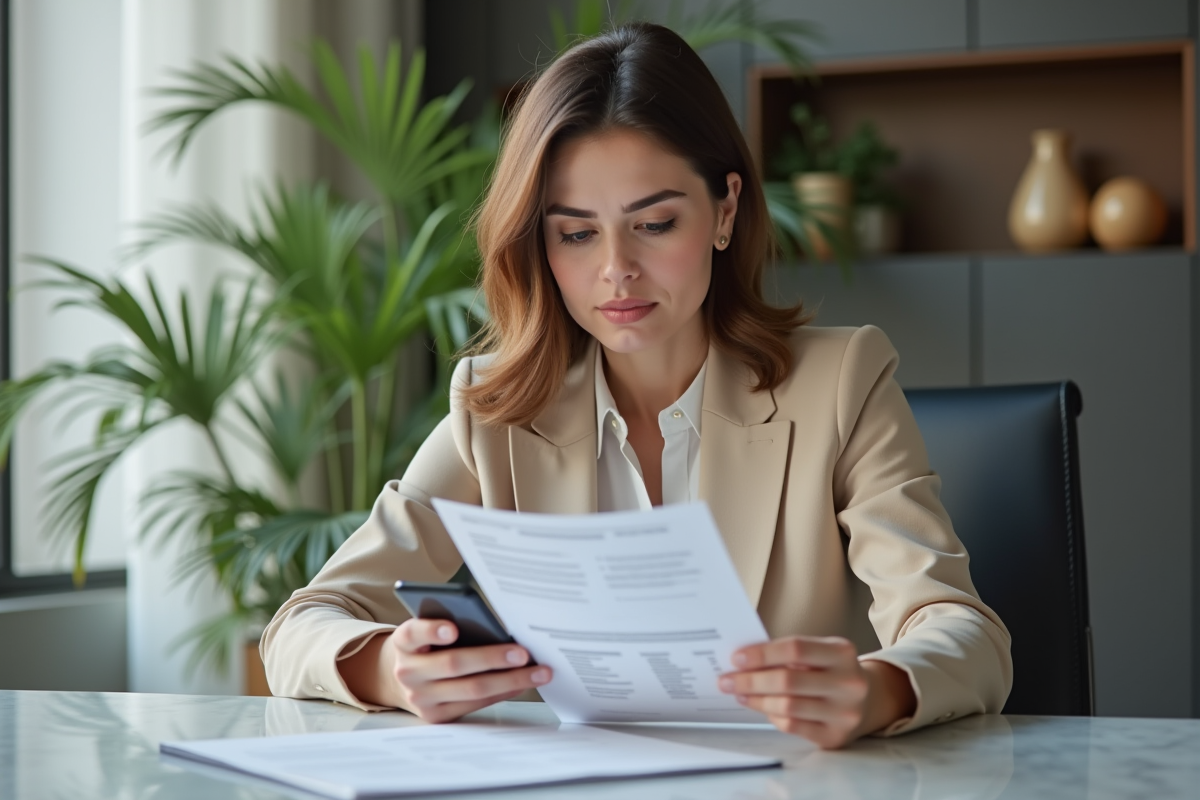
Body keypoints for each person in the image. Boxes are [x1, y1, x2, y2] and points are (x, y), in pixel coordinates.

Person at [261, 21, 1011, 750]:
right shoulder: (493, 409)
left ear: (725, 210)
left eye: (654, 224)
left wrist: (878, 689)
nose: (615, 269)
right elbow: (302, 623)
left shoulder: (841, 381)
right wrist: (388, 667)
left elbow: (964, 633)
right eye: (576, 233)